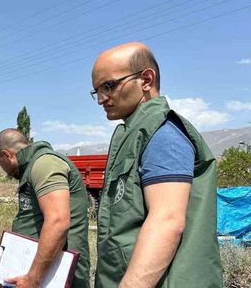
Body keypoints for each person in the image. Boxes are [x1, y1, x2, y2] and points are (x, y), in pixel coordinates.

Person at [91, 42, 221, 288]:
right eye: (96, 90)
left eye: (109, 86)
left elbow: (167, 221)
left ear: (146, 80)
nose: (101, 99)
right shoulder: (136, 133)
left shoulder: (163, 135)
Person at [0, 128, 90, 288]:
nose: (1, 168)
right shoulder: (31, 168)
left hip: (55, 276)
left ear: (7, 155)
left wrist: (33, 278)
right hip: (42, 274)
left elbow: (58, 222)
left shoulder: (44, 164)